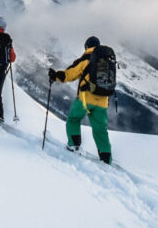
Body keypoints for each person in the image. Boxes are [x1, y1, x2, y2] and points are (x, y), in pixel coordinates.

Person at [48, 36, 113, 164]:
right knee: (100, 130)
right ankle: (106, 158)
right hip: (103, 101)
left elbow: (69, 74)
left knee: (73, 119)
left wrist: (55, 76)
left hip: (85, 99)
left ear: (87, 47)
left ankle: (73, 145)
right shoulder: (106, 61)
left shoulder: (85, 59)